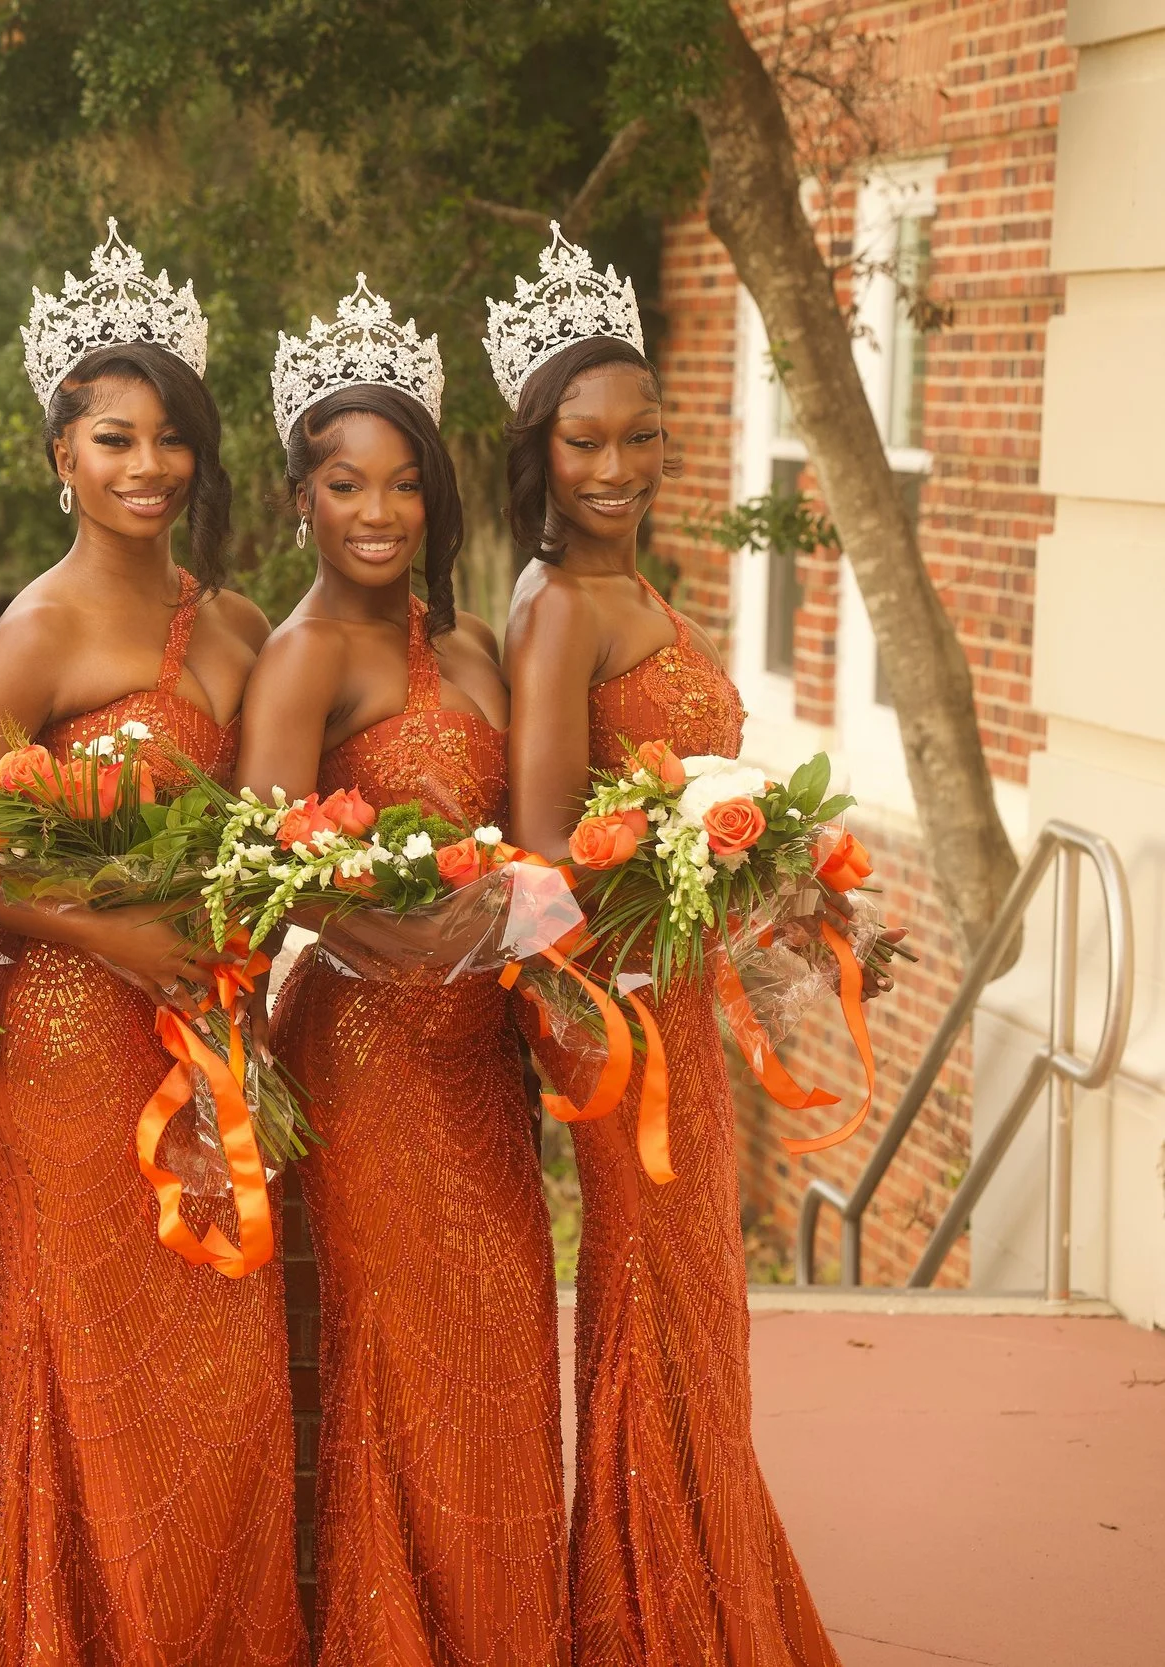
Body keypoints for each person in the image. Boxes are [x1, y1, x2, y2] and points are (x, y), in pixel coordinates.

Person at [0, 223, 304, 1667]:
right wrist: (115, 938)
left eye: (171, 440)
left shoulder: (242, 622)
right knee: (99, 1373)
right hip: (71, 1039)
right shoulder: (39, 627)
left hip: (199, 1019)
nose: (148, 466)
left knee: (229, 1372)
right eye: (114, 438)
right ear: (60, 454)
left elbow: (274, 822)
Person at [491, 225, 839, 1665]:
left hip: (682, 1001)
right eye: (586, 441)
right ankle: (654, 1617)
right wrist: (691, 861)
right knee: (654, 1308)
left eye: (642, 435)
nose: (617, 465)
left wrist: (772, 873)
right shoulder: (560, 607)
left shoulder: (637, 590)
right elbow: (546, 852)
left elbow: (669, 813)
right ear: (542, 449)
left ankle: (694, 1588)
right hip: (626, 1021)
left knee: (698, 1315)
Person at [238, 283, 570, 1664]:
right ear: (301, 494)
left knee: (504, 1342)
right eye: (344, 483)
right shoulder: (302, 654)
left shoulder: (480, 645)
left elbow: (530, 845)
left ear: (434, 495)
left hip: (479, 1053)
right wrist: (385, 926)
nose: (377, 512)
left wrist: (521, 923)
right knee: (411, 1356)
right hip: (369, 1050)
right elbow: (262, 871)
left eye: (402, 485)